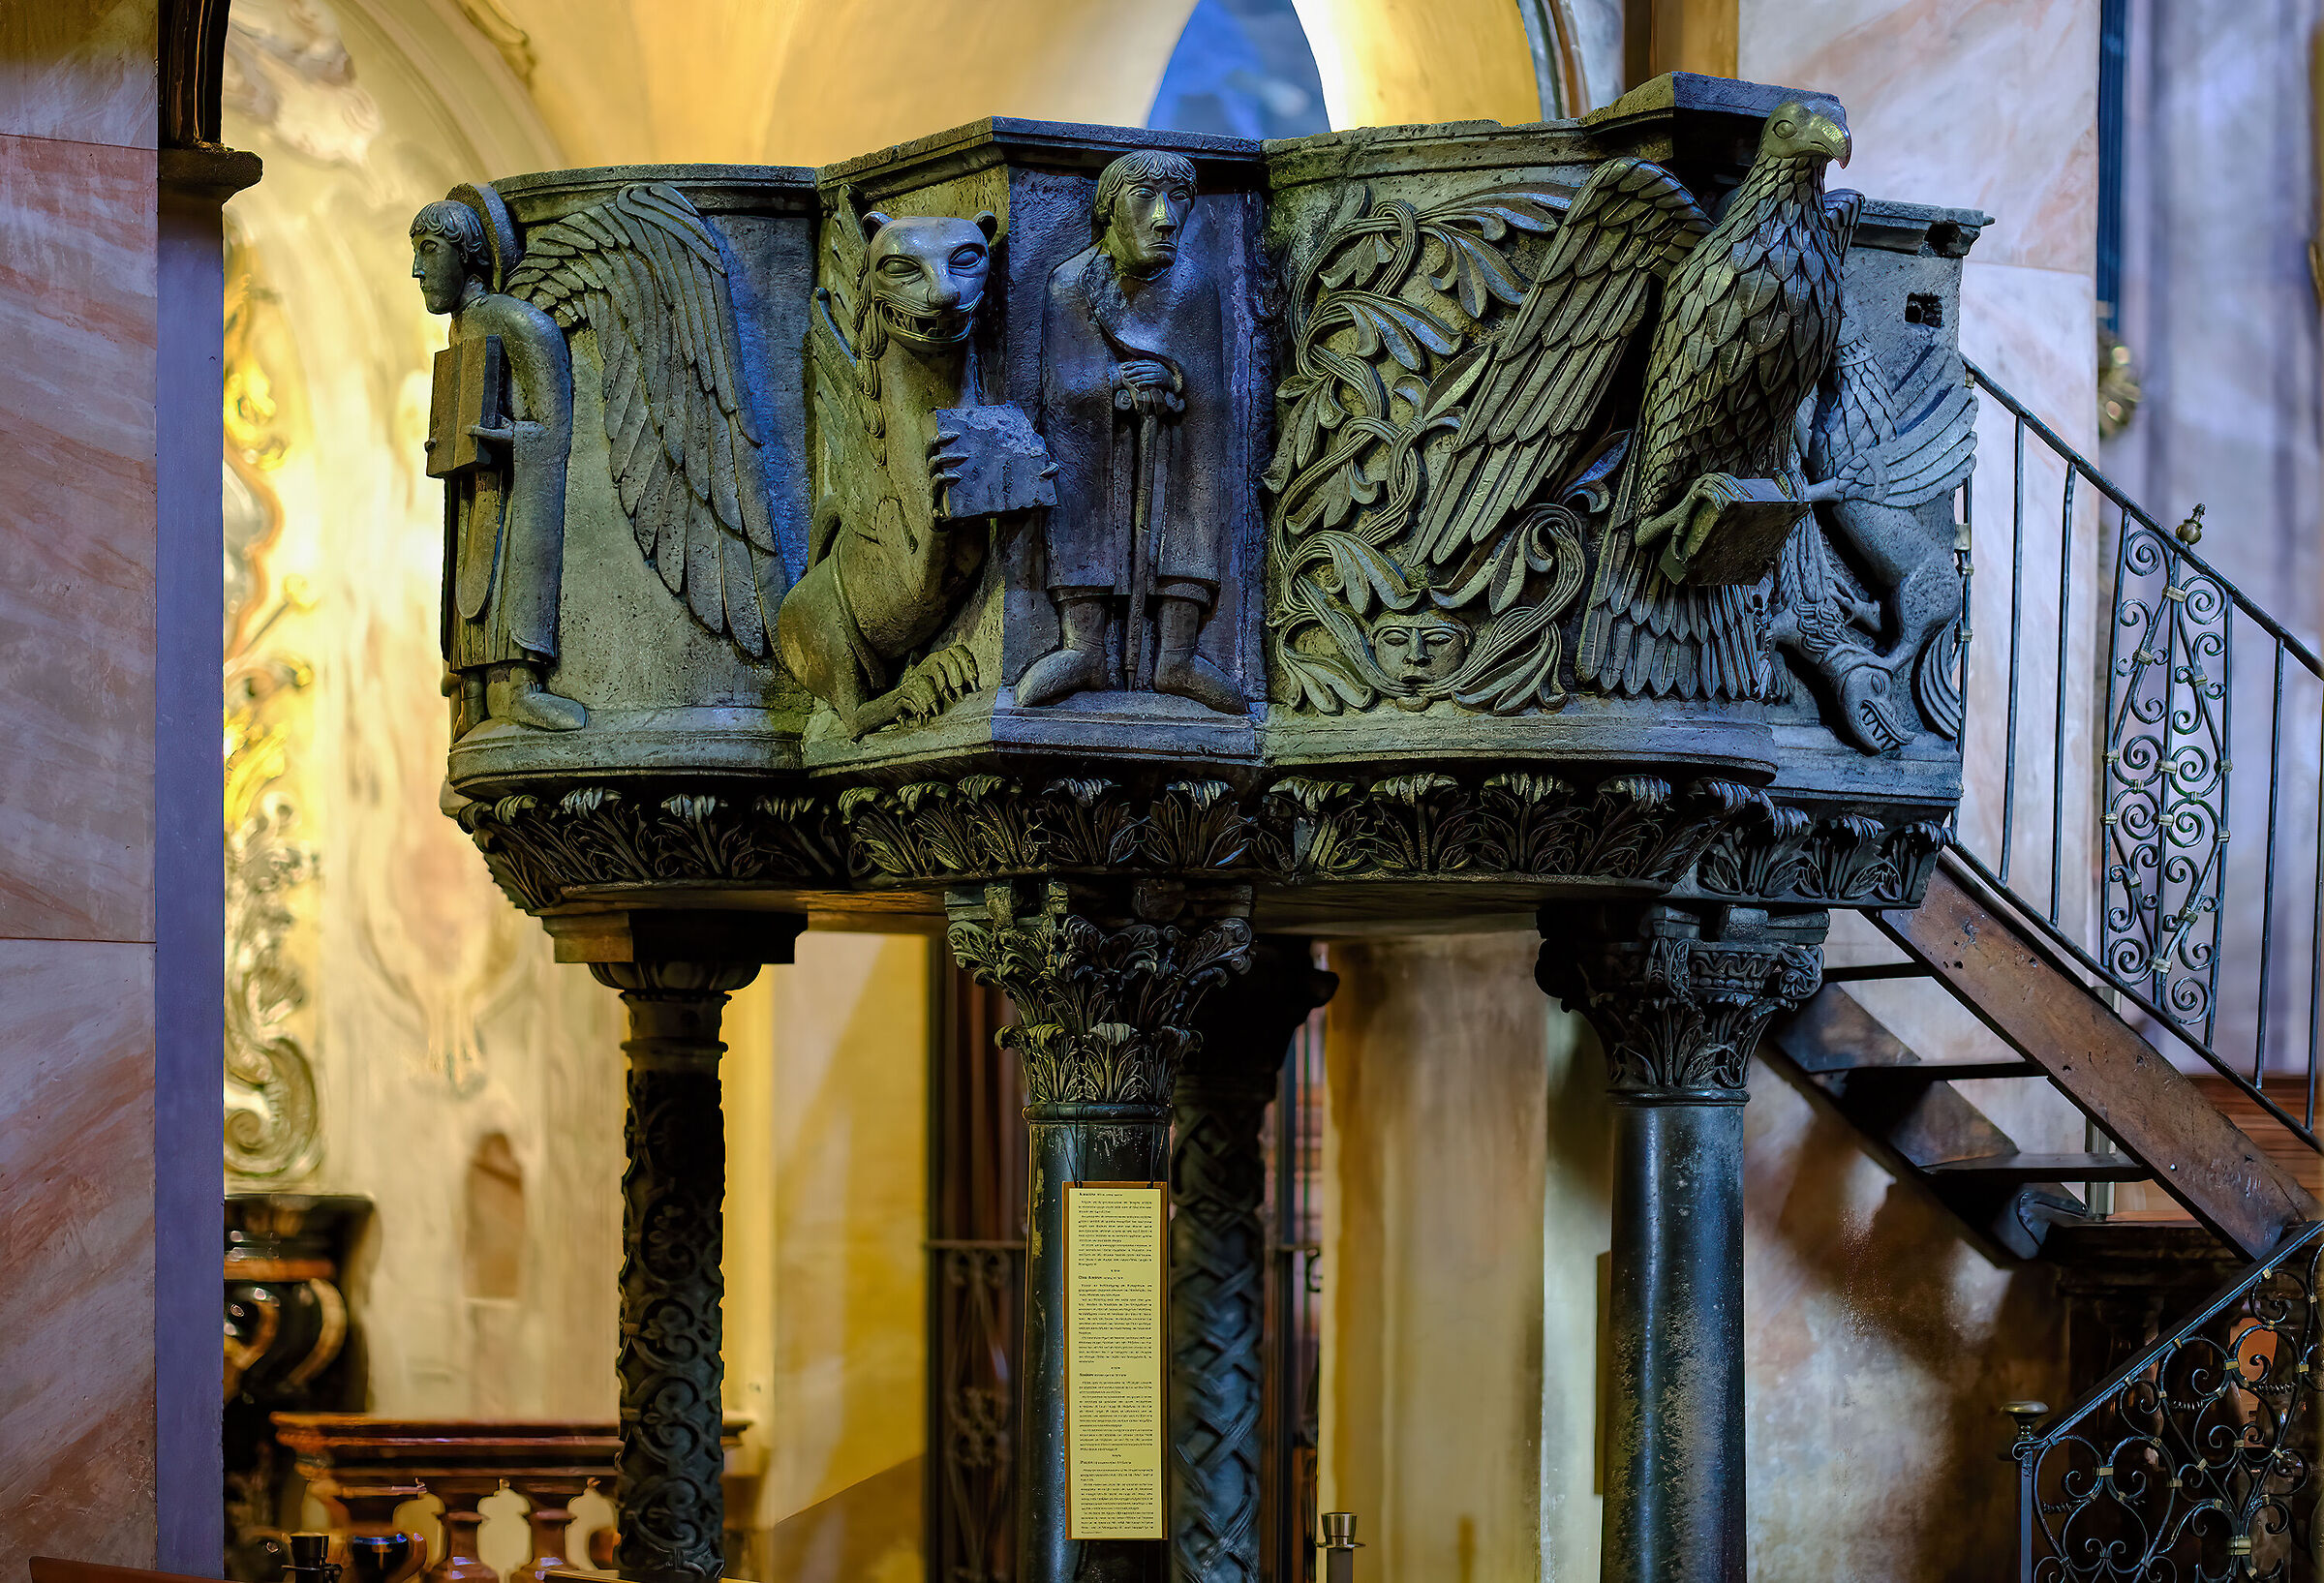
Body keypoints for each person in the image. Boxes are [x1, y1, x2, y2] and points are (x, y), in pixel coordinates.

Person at [1021, 150, 1239, 713]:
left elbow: (1212, 394)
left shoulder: (1193, 285)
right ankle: (1085, 648)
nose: (1166, 217)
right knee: (1070, 466)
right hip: (1096, 443)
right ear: (1110, 208)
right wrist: (1114, 383)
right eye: (1146, 197)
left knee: (1202, 470)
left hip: (1173, 442)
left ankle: (1179, 654)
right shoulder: (1071, 283)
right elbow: (1062, 389)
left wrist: (1172, 381)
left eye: (1180, 199)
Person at [412, 195, 582, 735]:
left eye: (429, 250)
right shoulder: (459, 330)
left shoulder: (514, 320)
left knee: (504, 572)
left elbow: (555, 423)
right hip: (476, 484)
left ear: (468, 254)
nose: (417, 269)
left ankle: (524, 687)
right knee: (468, 576)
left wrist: (515, 439)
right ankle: (477, 688)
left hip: (519, 482)